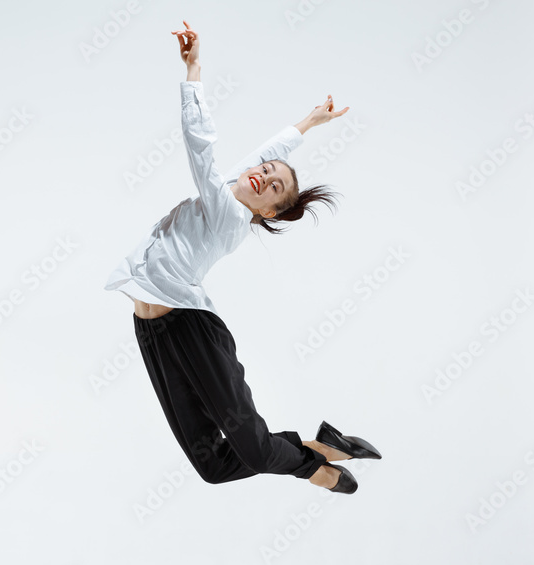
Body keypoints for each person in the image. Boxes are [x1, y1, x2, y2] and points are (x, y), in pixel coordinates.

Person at [104, 20, 381, 493]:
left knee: (251, 446)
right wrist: (310, 122)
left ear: (268, 211)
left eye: (274, 187)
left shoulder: (229, 214)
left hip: (191, 327)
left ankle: (317, 463)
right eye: (265, 171)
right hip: (152, 330)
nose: (263, 176)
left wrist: (193, 71)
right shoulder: (236, 190)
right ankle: (317, 454)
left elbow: (200, 147)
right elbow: (264, 154)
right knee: (213, 465)